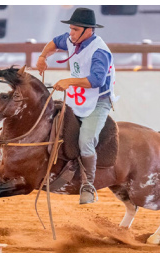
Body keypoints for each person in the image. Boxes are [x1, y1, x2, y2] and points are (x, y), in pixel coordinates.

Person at [36, 7, 116, 205]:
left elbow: (96, 80)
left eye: (74, 30)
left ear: (88, 30)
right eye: (70, 29)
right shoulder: (73, 39)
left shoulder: (100, 52)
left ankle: (88, 185)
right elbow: (55, 42)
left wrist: (69, 81)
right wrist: (42, 56)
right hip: (78, 98)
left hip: (98, 102)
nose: (70, 33)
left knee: (86, 141)